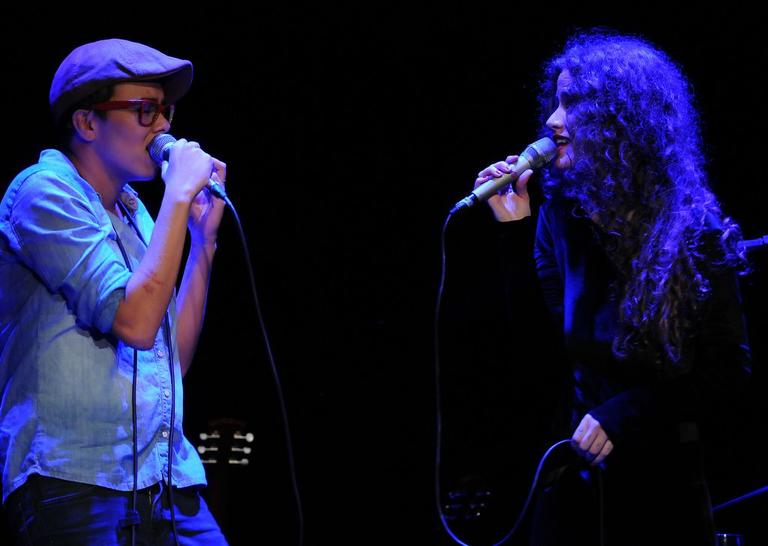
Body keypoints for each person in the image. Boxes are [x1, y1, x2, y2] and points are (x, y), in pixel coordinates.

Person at [474, 31, 752, 545]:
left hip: (658, 488)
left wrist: (628, 413)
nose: (554, 121)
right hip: (573, 489)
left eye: (572, 105)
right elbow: (537, 359)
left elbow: (727, 376)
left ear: (622, 123)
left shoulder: (693, 233)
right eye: (555, 103)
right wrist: (513, 235)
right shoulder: (562, 218)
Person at [0, 38, 228, 544]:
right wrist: (176, 197)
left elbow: (173, 358)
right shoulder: (43, 192)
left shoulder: (137, 214)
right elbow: (135, 321)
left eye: (165, 110)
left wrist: (203, 244)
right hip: (77, 482)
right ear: (87, 123)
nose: (164, 126)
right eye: (145, 110)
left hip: (167, 481)